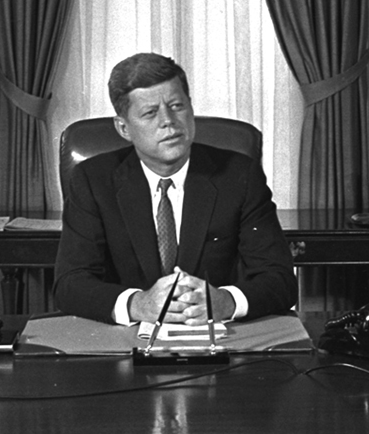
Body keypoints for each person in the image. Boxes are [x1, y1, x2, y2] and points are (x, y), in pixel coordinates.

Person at [53, 52, 297, 325]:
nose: (168, 121)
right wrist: (137, 304)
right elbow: (70, 284)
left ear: (191, 108)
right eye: (150, 113)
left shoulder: (239, 175)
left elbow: (281, 280)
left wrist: (225, 302)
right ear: (123, 128)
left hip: (217, 341)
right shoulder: (93, 180)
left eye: (177, 105)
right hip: (125, 347)